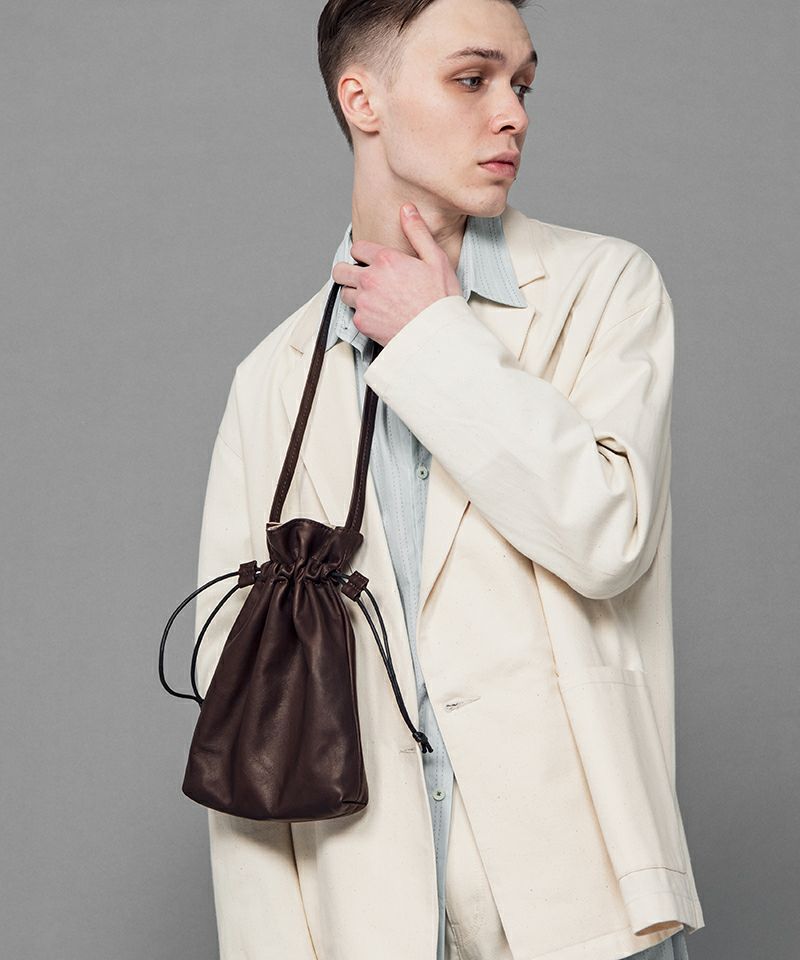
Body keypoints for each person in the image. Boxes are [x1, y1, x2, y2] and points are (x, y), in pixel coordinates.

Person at [191, 1, 706, 958]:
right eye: (473, 79)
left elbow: (608, 538)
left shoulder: (603, 289)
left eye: (523, 84)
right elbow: (248, 708)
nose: (513, 114)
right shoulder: (273, 381)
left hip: (581, 905)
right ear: (363, 100)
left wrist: (435, 338)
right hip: (368, 918)